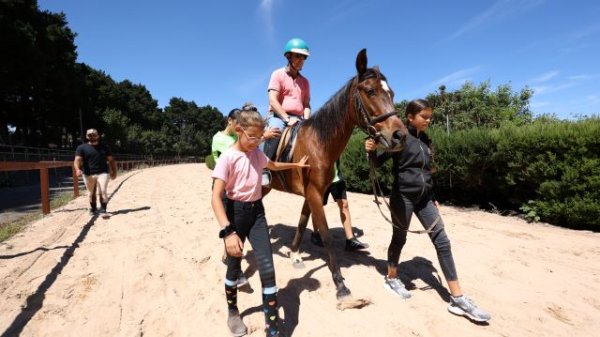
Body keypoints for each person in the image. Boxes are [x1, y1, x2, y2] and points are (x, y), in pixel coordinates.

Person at [364, 99, 491, 322]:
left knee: (442, 241)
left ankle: (458, 298)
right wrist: (371, 151)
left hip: (424, 200)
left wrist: (433, 197)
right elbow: (377, 163)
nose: (428, 120)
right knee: (399, 237)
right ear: (410, 117)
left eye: (430, 116)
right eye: (424, 116)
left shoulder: (425, 141)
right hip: (402, 197)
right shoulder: (400, 137)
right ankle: (392, 277)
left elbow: (427, 173)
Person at [211, 108, 309, 337]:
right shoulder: (228, 157)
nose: (256, 142)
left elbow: (272, 165)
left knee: (268, 268)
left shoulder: (257, 153)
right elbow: (215, 197)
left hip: (257, 214)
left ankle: (272, 328)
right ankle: (233, 312)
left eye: (259, 137)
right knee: (234, 267)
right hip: (235, 213)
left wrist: (296, 166)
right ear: (238, 130)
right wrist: (227, 232)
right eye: (252, 137)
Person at [262, 38, 311, 185]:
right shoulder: (278, 74)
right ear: (288, 56)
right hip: (279, 116)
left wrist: (307, 120)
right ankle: (264, 169)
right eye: (297, 56)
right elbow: (273, 100)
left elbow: (307, 104)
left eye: (303, 57)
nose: (300, 60)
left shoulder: (305, 82)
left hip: (299, 118)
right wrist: (286, 118)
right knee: (275, 130)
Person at [311, 160, 369, 251]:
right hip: (321, 176)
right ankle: (315, 234)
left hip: (336, 177)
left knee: (344, 205)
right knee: (317, 206)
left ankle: (350, 240)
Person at [73, 128, 117, 216]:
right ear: (87, 136)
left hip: (103, 173)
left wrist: (114, 172)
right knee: (91, 193)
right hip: (88, 174)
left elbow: (111, 160)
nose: (92, 136)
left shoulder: (104, 147)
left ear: (98, 136)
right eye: (90, 135)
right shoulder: (82, 148)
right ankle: (93, 208)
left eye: (94, 135)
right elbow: (77, 160)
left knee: (103, 190)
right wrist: (77, 169)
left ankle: (103, 210)